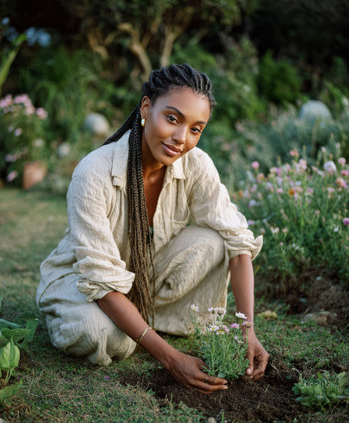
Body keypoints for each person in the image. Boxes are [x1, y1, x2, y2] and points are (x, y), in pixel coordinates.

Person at [36, 63, 269, 394]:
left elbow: (237, 241)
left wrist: (248, 329)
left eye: (195, 128)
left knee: (217, 240)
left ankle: (142, 323)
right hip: (85, 282)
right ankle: (83, 316)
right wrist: (171, 359)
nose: (180, 138)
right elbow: (99, 280)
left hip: (141, 281)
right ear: (146, 108)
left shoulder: (197, 165)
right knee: (103, 335)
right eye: (172, 118)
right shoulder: (93, 173)